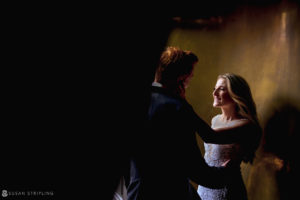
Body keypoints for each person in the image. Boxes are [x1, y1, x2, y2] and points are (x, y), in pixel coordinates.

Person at [126, 47, 245, 200]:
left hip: (136, 193)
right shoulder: (177, 108)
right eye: (191, 76)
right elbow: (195, 169)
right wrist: (227, 172)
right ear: (182, 78)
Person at [197, 73, 262, 200]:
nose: (214, 93)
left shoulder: (245, 125)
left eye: (221, 89)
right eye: (214, 89)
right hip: (205, 187)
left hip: (227, 190)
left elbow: (211, 137)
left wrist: (183, 108)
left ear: (235, 93)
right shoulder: (215, 120)